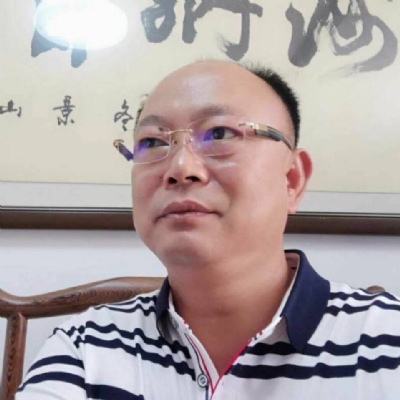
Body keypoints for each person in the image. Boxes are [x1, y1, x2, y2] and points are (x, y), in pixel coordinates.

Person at [17, 60, 400, 399]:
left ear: (292, 180)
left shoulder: (388, 340)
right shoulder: (88, 345)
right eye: (152, 142)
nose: (180, 168)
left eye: (219, 134)